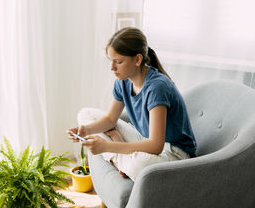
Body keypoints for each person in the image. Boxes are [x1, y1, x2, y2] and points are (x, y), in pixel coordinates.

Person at [67, 27, 197, 181]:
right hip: (144, 139)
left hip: (173, 153)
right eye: (111, 61)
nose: (112, 68)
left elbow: (156, 145)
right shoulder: (122, 82)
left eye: (118, 62)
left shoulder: (157, 87)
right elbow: (110, 120)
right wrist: (85, 131)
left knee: (139, 166)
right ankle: (123, 159)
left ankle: (121, 160)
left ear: (137, 59)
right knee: (85, 114)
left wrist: (108, 147)